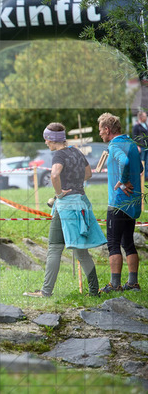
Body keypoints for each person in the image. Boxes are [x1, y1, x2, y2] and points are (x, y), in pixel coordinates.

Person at [23, 123, 104, 298]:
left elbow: (54, 175)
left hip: (66, 206)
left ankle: (46, 292)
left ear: (52, 139)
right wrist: (74, 182)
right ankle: (93, 291)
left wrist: (59, 193)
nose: (46, 143)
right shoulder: (76, 151)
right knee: (81, 251)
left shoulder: (59, 155)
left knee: (54, 248)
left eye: (46, 139)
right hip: (81, 204)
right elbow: (88, 174)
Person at [98, 112, 142, 293]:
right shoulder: (131, 143)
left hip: (118, 202)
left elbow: (124, 161)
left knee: (113, 243)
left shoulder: (115, 145)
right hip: (132, 203)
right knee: (128, 242)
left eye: (100, 130)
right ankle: (132, 283)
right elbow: (139, 167)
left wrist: (123, 181)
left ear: (107, 129)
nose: (100, 133)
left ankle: (115, 285)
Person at [132, 109, 148, 181]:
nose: (146, 117)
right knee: (141, 162)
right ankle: (141, 177)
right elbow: (134, 137)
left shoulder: (146, 125)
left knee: (147, 162)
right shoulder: (137, 126)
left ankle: (146, 177)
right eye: (145, 116)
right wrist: (137, 146)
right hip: (141, 147)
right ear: (141, 117)